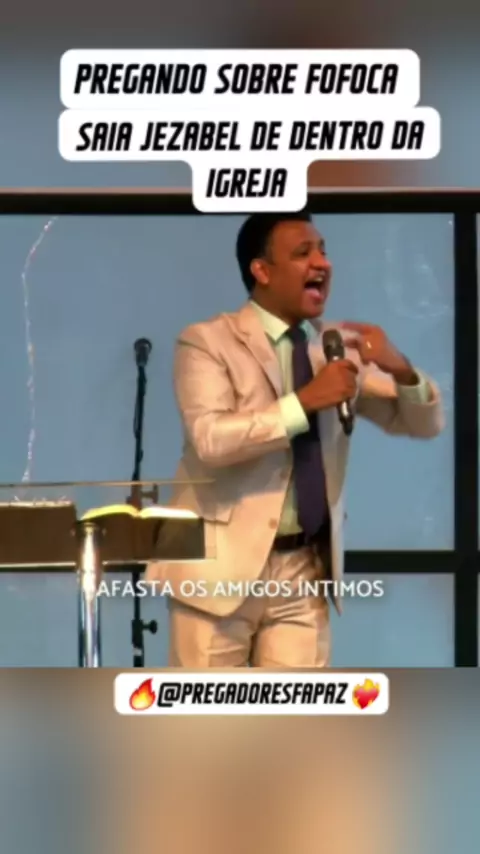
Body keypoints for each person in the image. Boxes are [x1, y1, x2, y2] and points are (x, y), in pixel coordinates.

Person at [145, 211, 444, 668]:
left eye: (323, 251)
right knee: (205, 711)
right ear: (262, 271)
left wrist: (400, 368)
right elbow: (211, 440)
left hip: (303, 569)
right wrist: (304, 403)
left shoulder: (334, 347)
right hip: (217, 572)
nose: (321, 263)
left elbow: (423, 424)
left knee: (299, 709)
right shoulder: (206, 341)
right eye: (303, 253)